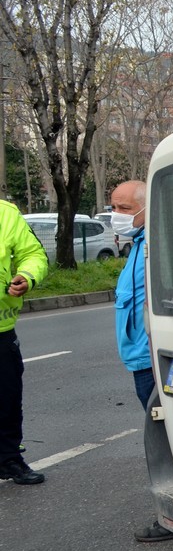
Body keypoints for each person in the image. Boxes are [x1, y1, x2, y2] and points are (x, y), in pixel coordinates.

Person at [110, 180, 173, 542]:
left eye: (122, 208)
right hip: (140, 359)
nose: (115, 215)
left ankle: (172, 515)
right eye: (114, 207)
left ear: (143, 207)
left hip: (151, 359)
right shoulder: (138, 245)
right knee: (165, 435)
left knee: (165, 439)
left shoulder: (155, 243)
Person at [1, 199, 49, 485]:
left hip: (1, 328)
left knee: (7, 398)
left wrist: (27, 276)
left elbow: (33, 254)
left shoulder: (6, 214)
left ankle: (8, 459)